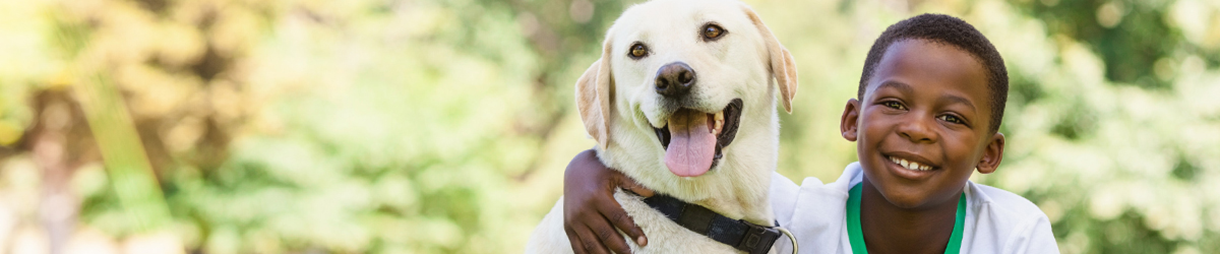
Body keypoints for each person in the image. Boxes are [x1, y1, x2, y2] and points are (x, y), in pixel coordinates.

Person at [559, 14, 1060, 254]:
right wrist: (586, 169)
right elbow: (683, 195)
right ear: (851, 121)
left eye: (951, 117)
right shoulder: (792, 220)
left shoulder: (1015, 235)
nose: (916, 129)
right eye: (893, 104)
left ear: (989, 154)